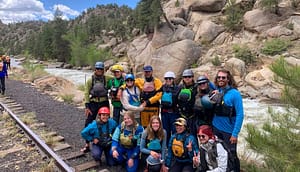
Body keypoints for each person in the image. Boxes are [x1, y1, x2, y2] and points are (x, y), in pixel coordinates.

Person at [212, 69, 244, 172]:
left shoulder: (235, 94)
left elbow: (240, 114)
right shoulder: (217, 91)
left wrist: (235, 133)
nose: (221, 79)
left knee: (231, 156)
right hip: (216, 128)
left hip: (229, 132)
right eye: (219, 77)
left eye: (223, 77)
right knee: (219, 154)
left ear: (228, 79)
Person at [82, 61, 113, 153]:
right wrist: (87, 106)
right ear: (95, 69)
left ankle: (107, 141)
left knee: (106, 122)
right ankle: (87, 144)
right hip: (93, 103)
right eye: (98, 69)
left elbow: (116, 78)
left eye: (101, 69)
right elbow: (86, 92)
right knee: (88, 122)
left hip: (104, 102)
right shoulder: (90, 80)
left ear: (103, 70)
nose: (99, 70)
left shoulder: (107, 78)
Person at [160, 71, 180, 143]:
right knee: (165, 131)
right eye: (166, 79)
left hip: (174, 113)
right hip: (164, 113)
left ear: (173, 79)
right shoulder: (162, 87)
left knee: (175, 130)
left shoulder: (178, 88)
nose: (168, 80)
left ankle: (175, 145)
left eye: (170, 79)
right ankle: (166, 146)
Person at [177, 69, 198, 135]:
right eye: (185, 77)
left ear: (192, 77)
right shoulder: (180, 87)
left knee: (193, 134)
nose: (187, 78)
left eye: (189, 77)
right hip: (182, 114)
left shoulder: (197, 87)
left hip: (193, 115)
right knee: (182, 134)